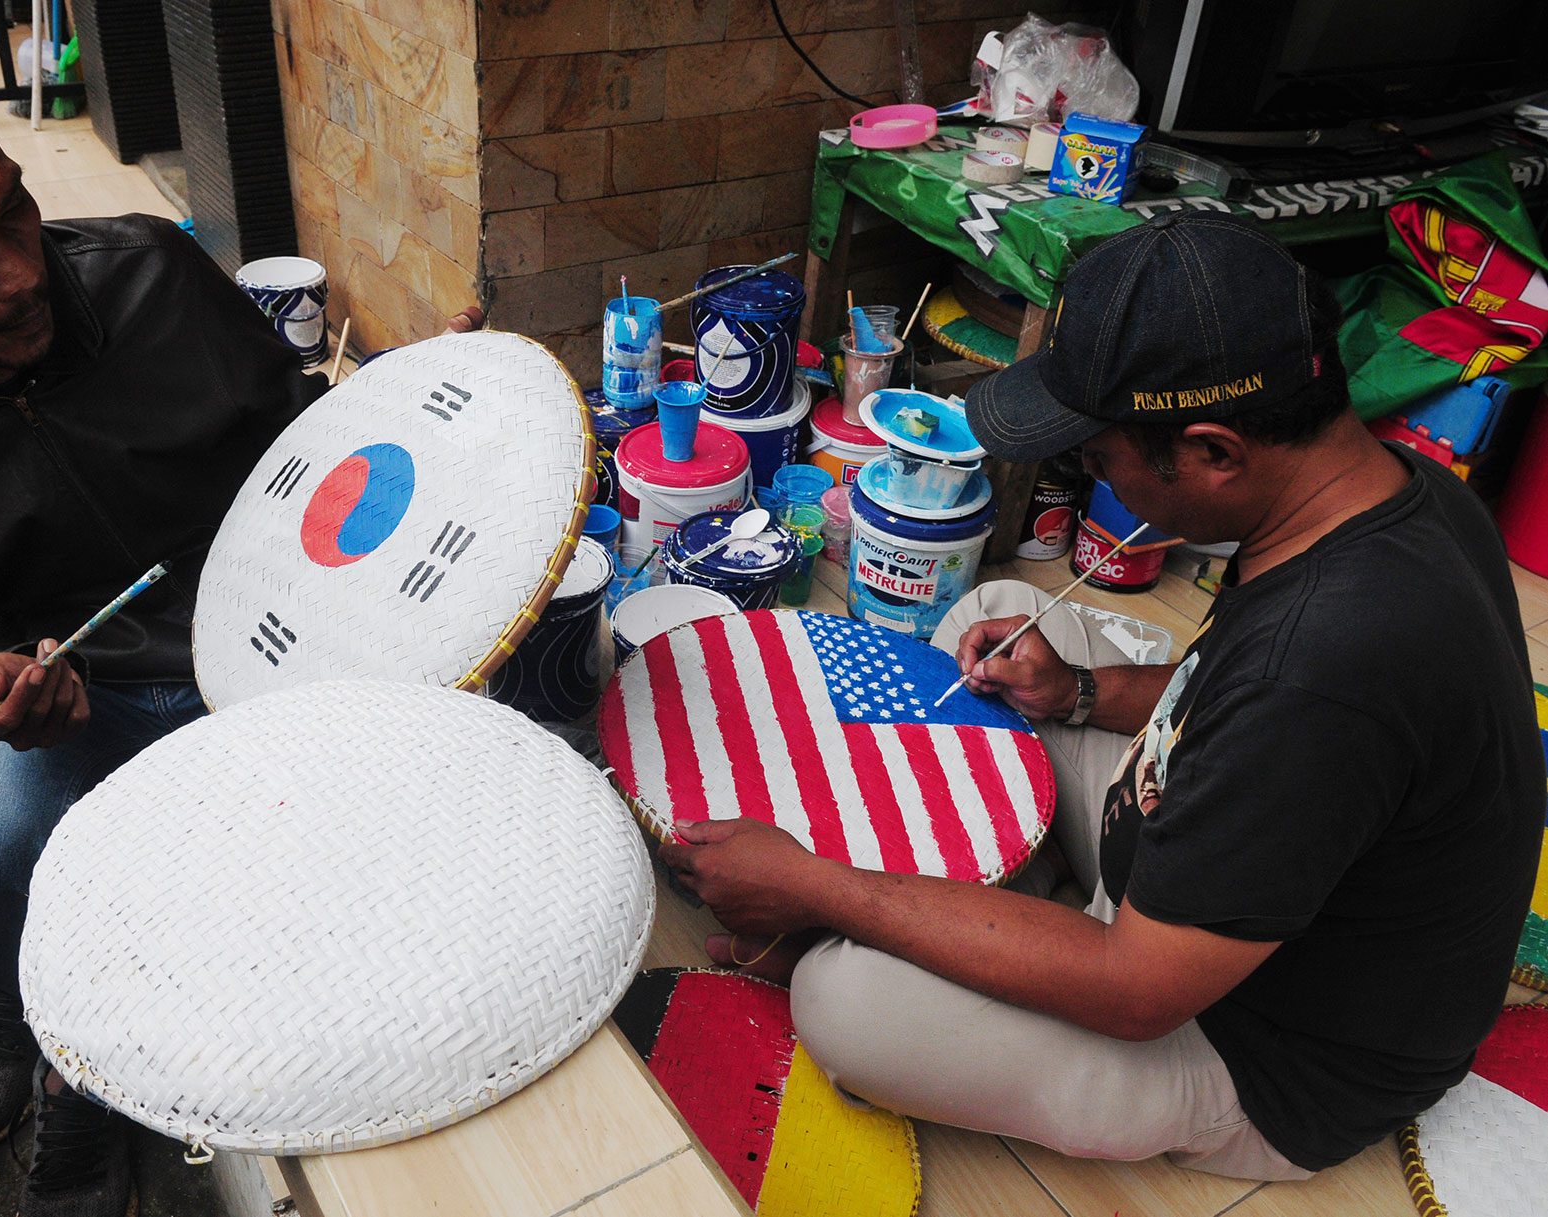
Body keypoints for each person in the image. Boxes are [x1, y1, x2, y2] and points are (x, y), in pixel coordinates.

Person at [661, 211, 1542, 1180]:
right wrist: (1077, 689)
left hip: (1261, 1048)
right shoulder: (1398, 491)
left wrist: (819, 886)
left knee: (845, 998)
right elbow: (1230, 697)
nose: (1094, 476)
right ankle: (1006, 899)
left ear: (1213, 451)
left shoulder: (1323, 671)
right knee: (997, 610)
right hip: (1210, 886)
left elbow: (1137, 990)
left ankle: (993, 909)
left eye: (1098, 457)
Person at [0, 44, 403, 1216]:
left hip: (275, 642)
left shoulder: (150, 269)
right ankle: (39, 1000)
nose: (17, 278)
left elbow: (304, 447)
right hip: (86, 691)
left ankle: (67, 1012)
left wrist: (406, 426)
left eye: (14, 212)